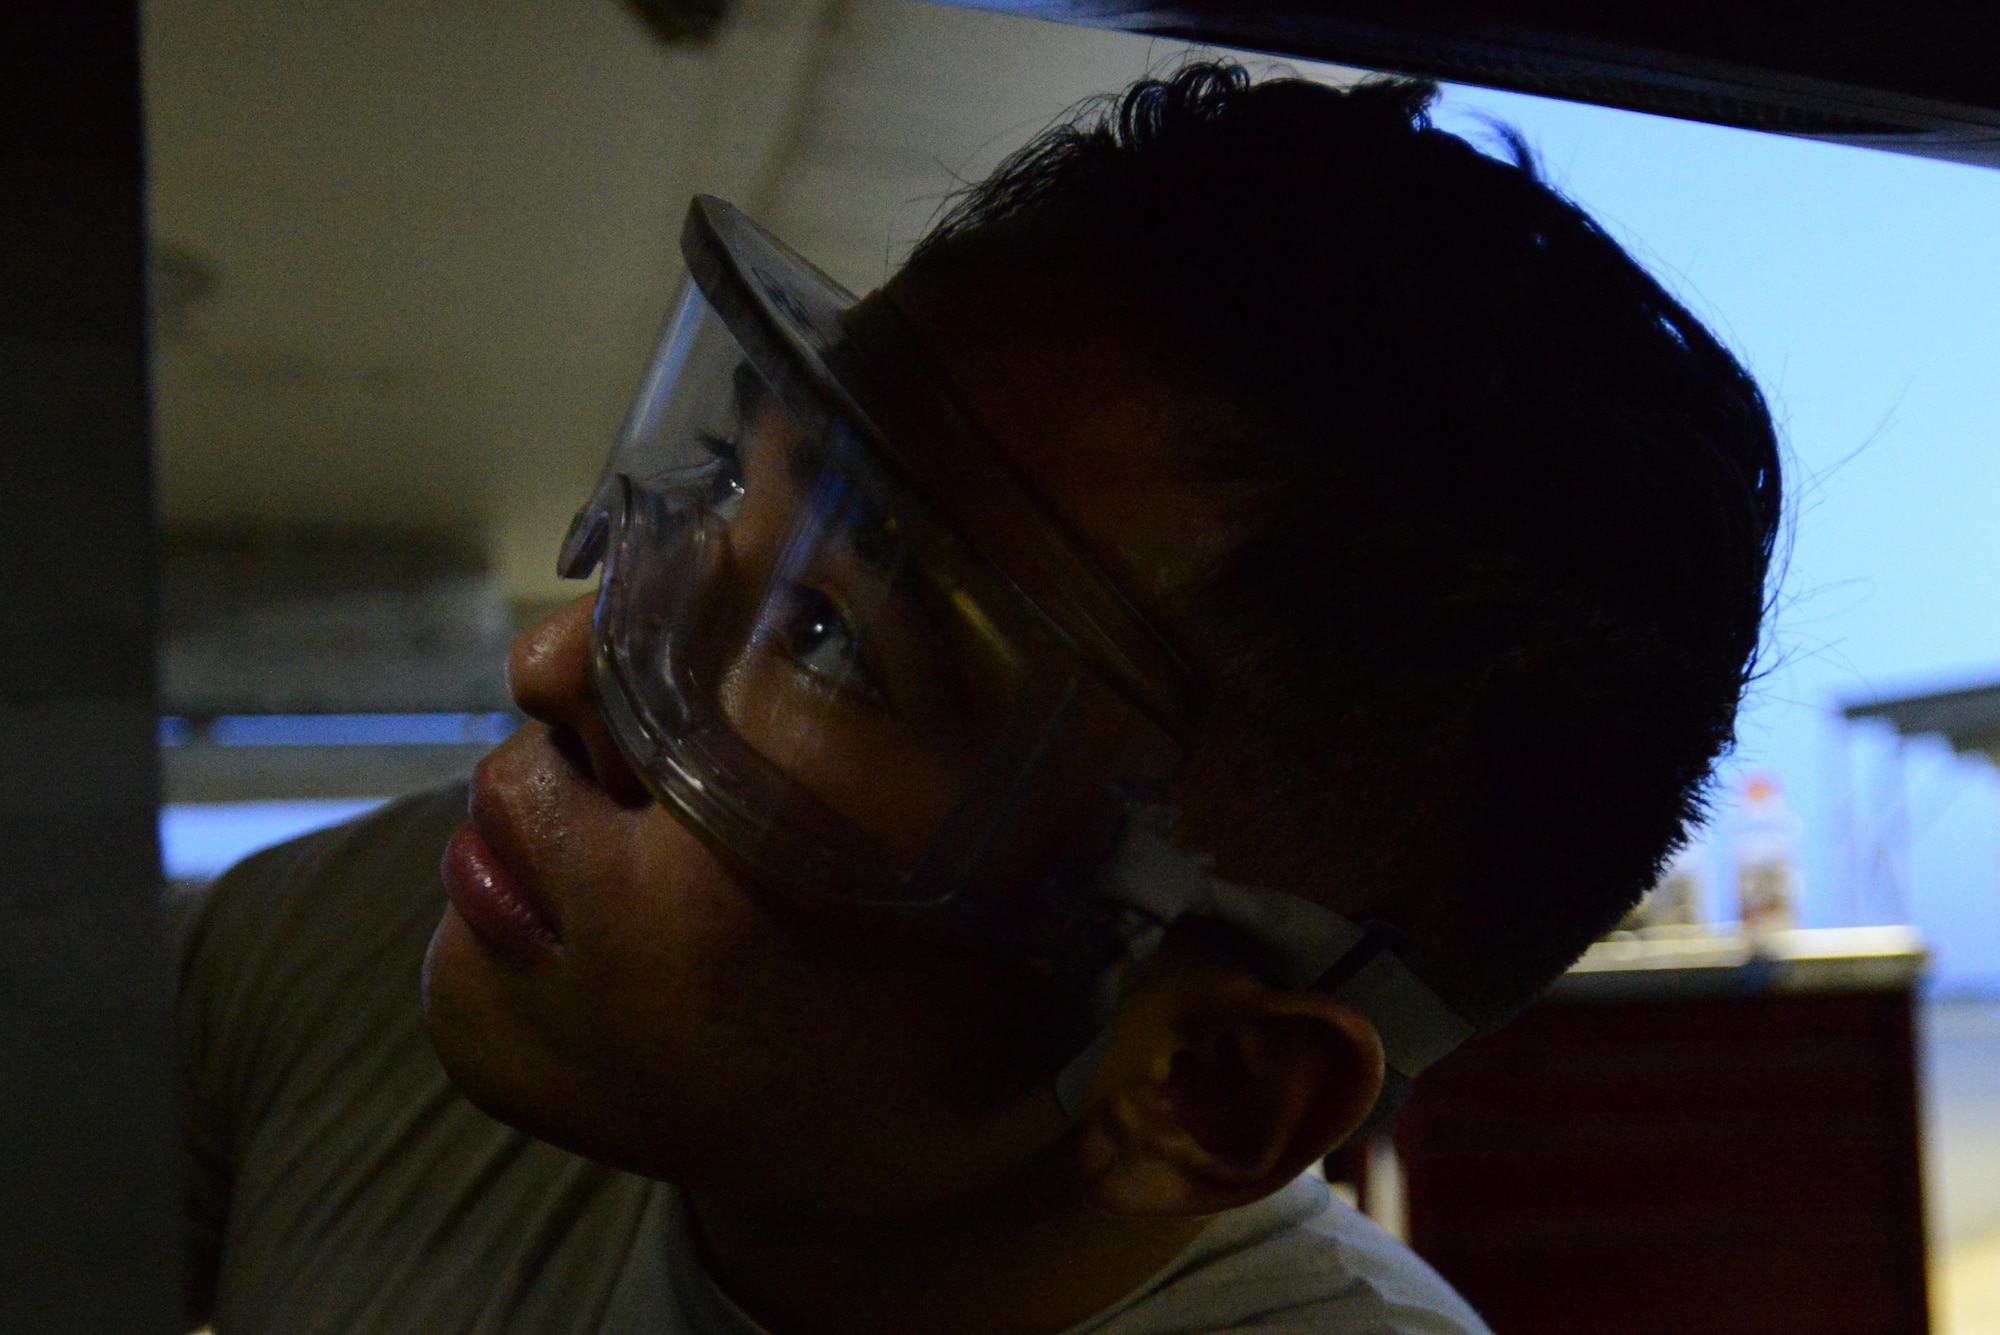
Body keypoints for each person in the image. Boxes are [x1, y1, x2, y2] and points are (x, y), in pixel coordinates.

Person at [175, 62, 1781, 1334]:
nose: (554, 669)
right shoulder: (380, 942)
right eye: (732, 479)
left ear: (1197, 1085)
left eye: (826, 639)